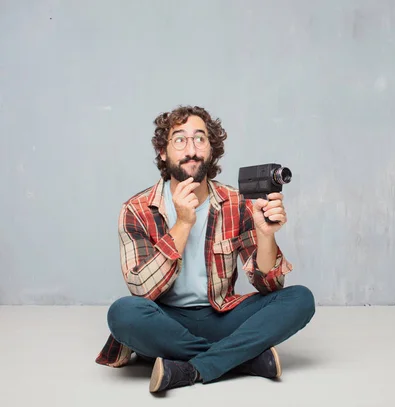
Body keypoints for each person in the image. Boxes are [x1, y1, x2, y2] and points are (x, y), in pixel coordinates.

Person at [95, 105, 315, 393]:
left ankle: (192, 368)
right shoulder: (136, 210)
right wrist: (183, 223)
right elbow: (141, 289)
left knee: (300, 299)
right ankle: (242, 359)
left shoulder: (236, 202)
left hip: (222, 315)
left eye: (200, 139)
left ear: (211, 150)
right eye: (179, 140)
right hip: (164, 320)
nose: (191, 149)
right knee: (122, 314)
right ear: (163, 152)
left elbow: (270, 284)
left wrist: (265, 236)